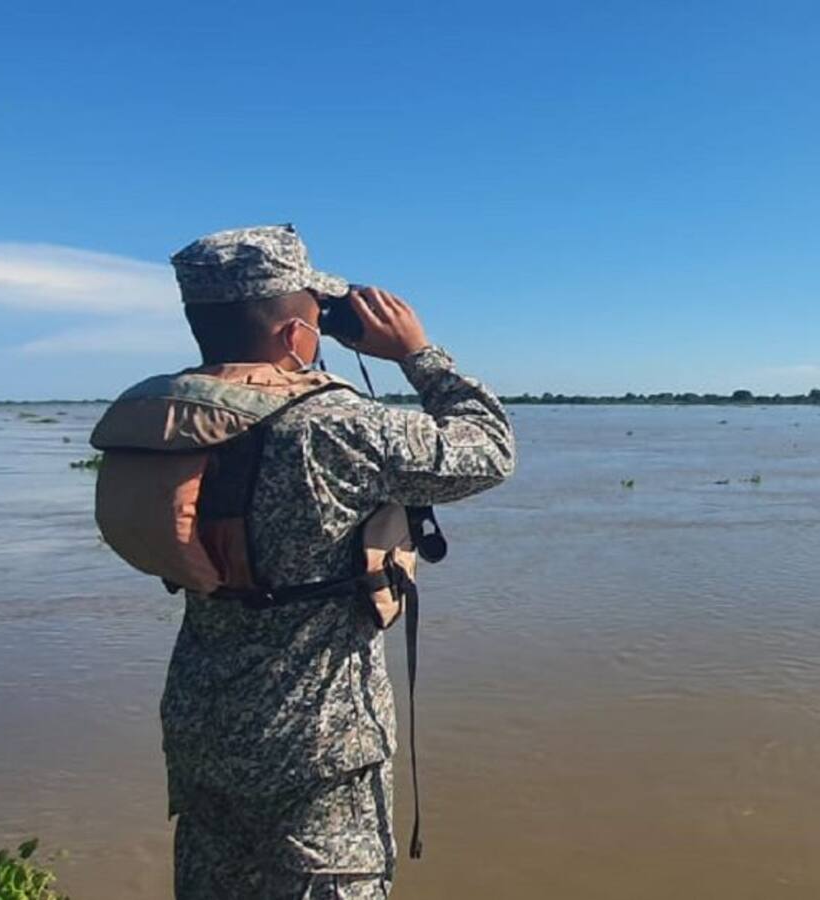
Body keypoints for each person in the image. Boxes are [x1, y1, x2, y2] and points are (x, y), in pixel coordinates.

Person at [90, 224, 516, 898]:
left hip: (204, 724)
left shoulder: (169, 417)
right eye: (318, 316)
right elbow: (489, 448)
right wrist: (417, 353)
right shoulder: (334, 424)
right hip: (318, 743)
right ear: (295, 336)